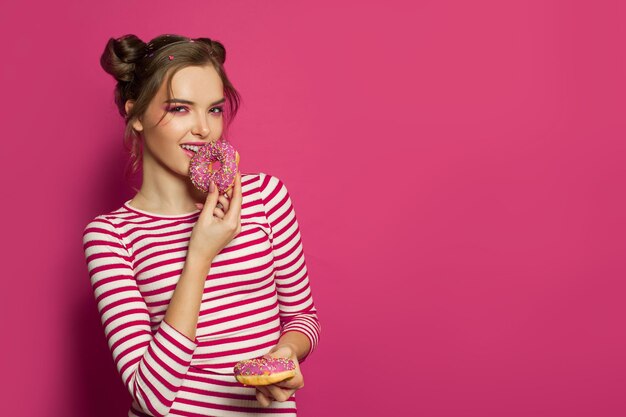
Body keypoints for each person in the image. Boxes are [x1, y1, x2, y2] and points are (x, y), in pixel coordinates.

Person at [82, 33, 321, 417]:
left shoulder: (264, 197)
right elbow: (150, 397)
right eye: (180, 109)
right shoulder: (111, 237)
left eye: (213, 110)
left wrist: (287, 353)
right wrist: (199, 255)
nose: (205, 129)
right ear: (137, 114)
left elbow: (302, 318)